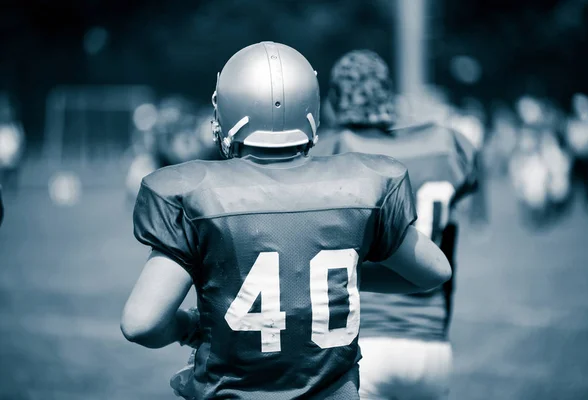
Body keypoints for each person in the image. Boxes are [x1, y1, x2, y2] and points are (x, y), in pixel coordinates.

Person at [120, 42, 452, 400]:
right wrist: (331, 280)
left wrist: (188, 326)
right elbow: (433, 272)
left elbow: (142, 323)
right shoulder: (356, 184)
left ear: (228, 111)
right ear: (311, 109)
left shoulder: (201, 193)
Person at [312, 49, 482, 400]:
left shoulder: (333, 150)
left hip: (364, 339)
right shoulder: (447, 143)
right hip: (432, 342)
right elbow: (448, 245)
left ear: (337, 96)